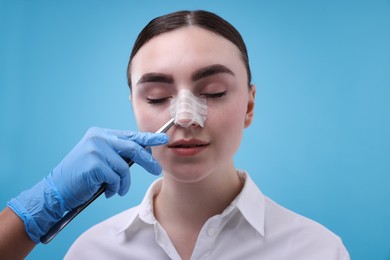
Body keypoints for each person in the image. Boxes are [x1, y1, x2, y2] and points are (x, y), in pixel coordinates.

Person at [0, 10, 350, 260]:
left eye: (213, 92)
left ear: (249, 106)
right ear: (135, 107)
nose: (184, 117)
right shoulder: (91, 252)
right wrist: (43, 205)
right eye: (156, 97)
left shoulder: (318, 250)